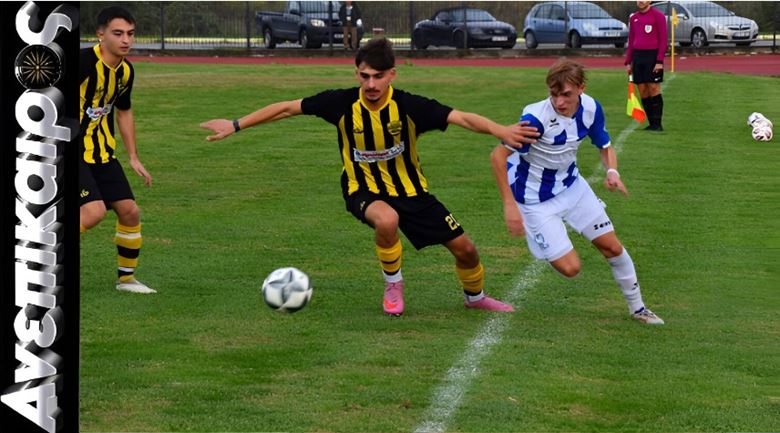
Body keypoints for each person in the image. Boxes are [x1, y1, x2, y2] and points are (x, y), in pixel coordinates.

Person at [201, 38, 539, 316]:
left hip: (412, 192)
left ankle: (475, 298)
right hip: (361, 189)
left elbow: (461, 117)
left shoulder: (410, 107)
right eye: (364, 76)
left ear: (392, 75)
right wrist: (235, 125)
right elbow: (288, 107)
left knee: (466, 250)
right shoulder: (340, 103)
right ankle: (393, 285)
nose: (371, 84)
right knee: (387, 220)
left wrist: (500, 130)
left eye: (378, 76)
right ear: (357, 74)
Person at [490, 59, 664, 325]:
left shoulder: (591, 108)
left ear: (581, 88)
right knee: (571, 269)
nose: (559, 102)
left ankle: (638, 308)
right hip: (534, 199)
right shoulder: (535, 119)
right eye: (554, 94)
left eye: (566, 94)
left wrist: (612, 172)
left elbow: (604, 145)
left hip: (572, 187)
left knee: (612, 247)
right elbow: (498, 157)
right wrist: (509, 205)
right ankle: (541, 231)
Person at [80, 6, 156, 294]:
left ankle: (126, 281)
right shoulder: (82, 63)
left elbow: (123, 111)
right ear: (100, 34)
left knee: (130, 212)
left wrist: (133, 156)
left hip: (101, 153)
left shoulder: (125, 71)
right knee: (93, 213)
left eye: (130, 34)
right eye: (118, 33)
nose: (126, 40)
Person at [625, 1, 668, 131]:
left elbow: (663, 40)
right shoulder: (634, 18)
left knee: (653, 88)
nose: (641, 1)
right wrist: (628, 61)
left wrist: (659, 61)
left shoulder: (658, 16)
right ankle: (651, 124)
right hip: (638, 57)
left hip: (652, 56)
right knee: (642, 90)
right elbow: (631, 40)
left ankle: (657, 124)